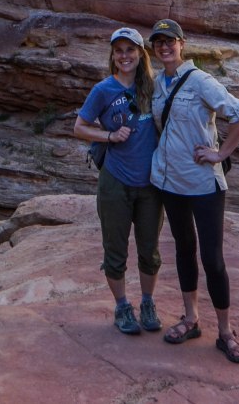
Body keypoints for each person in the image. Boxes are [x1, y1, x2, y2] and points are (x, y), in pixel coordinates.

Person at [148, 18, 239, 364]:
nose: (165, 47)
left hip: (203, 183)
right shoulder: (157, 84)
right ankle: (191, 319)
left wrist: (221, 154)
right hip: (169, 182)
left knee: (212, 259)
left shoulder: (200, 80)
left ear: (183, 44)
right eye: (159, 42)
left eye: (170, 41)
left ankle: (225, 332)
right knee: (183, 250)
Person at [73, 27, 164, 335]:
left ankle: (148, 302)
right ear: (113, 56)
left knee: (149, 249)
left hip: (151, 184)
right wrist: (109, 136)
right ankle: (123, 306)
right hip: (115, 181)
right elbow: (80, 127)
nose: (125, 56)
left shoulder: (155, 87)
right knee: (115, 249)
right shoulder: (103, 90)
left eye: (130, 50)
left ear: (141, 54)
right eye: (119, 50)